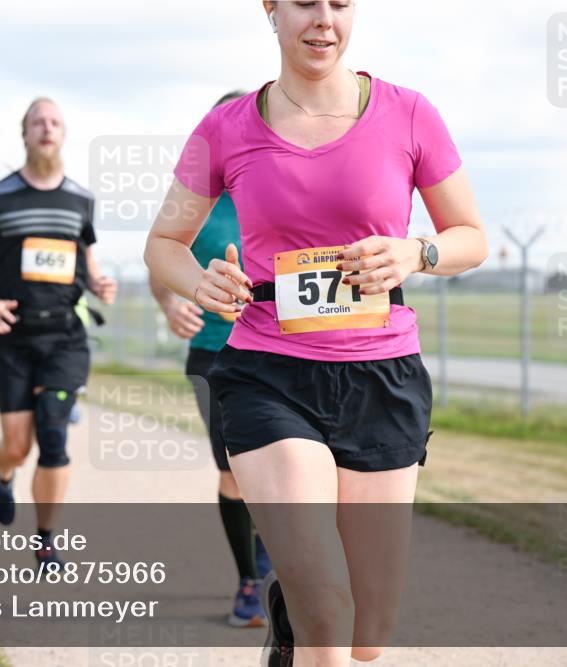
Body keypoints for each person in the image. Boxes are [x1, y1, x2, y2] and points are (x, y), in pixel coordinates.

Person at [144, 2, 487, 665]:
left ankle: (286, 610)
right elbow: (163, 245)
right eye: (304, 1)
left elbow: (470, 237)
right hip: (267, 373)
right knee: (328, 606)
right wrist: (199, 283)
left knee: (368, 632)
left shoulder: (410, 114)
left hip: (381, 377)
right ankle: (303, 606)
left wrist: (418, 253)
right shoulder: (225, 128)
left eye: (340, 3)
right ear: (270, 8)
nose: (323, 20)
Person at [0, 97, 117, 569]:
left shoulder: (80, 200)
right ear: (24, 134)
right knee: (17, 445)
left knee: (53, 437)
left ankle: (46, 539)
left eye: (54, 122)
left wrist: (100, 283)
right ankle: (3, 470)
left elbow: (85, 262)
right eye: (38, 122)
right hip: (12, 336)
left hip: (65, 339)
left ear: (63, 134)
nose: (46, 129)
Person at [149, 90, 274, 629]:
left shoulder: (277, 189)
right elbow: (160, 259)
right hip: (215, 355)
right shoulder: (194, 200)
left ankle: (271, 538)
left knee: (285, 474)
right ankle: (249, 579)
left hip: (281, 352)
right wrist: (171, 302)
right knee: (236, 476)